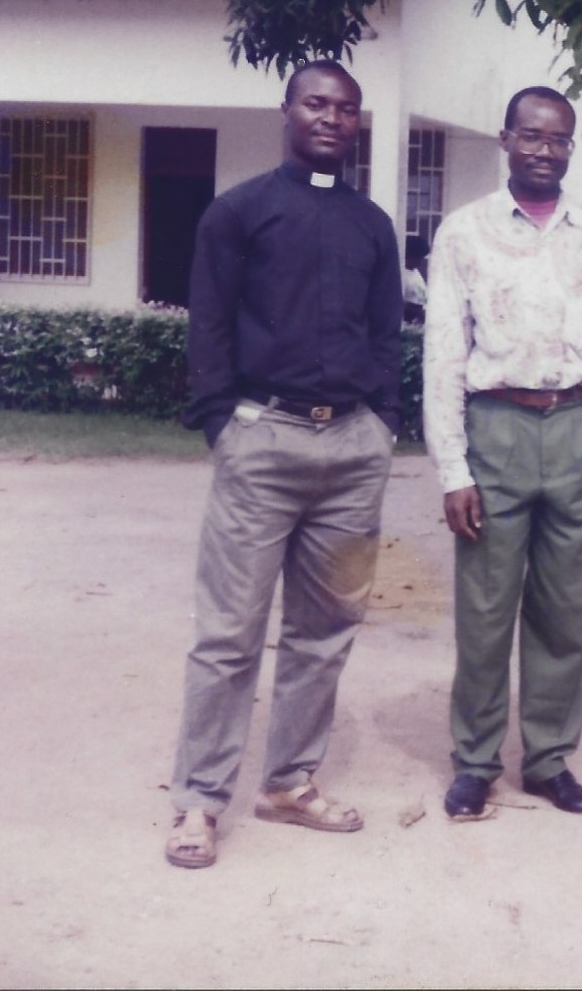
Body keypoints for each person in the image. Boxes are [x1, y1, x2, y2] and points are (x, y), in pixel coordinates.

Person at [166, 60, 402, 869]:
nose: (331, 118)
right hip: (261, 443)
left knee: (326, 629)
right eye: (316, 103)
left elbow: (385, 335)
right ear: (287, 112)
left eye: (345, 108)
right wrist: (220, 427)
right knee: (229, 635)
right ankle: (198, 801)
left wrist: (383, 426)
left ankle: (288, 783)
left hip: (352, 455)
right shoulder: (239, 213)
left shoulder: (373, 223)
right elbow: (210, 324)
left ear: (357, 121)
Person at [424, 85, 582, 821]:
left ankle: (550, 758)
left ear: (570, 148)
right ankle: (475, 761)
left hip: (575, 428)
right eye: (530, 136)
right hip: (496, 425)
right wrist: (452, 468)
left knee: (563, 611)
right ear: (504, 140)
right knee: (485, 609)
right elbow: (442, 354)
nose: (543, 150)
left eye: (557, 139)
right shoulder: (463, 232)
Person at [402, 234, 430, 325]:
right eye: (418, 257)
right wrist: (418, 313)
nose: (421, 261)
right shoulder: (402, 275)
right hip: (408, 323)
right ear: (409, 256)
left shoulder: (415, 272)